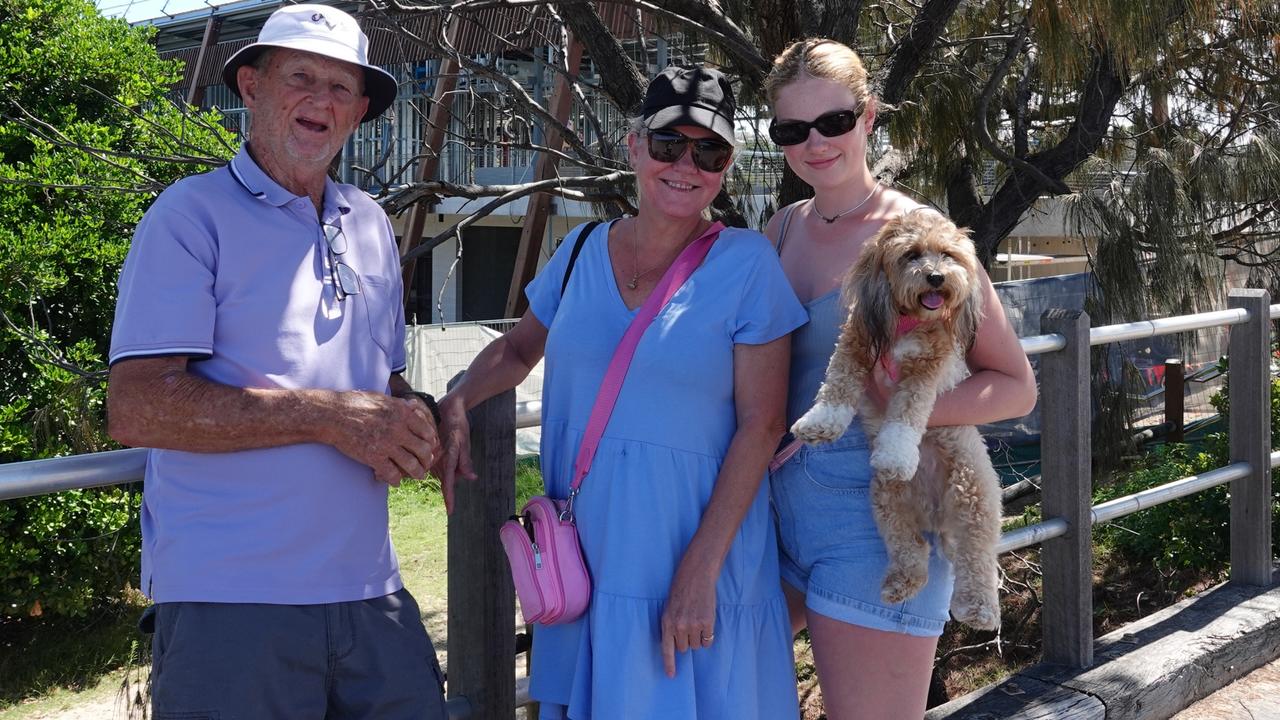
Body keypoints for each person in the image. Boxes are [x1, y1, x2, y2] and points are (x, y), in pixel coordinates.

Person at [106, 6, 448, 718]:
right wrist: (327, 419)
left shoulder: (371, 223)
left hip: (371, 593)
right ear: (252, 87)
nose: (321, 100)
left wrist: (426, 423)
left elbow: (379, 386)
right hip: (231, 602)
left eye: (342, 88)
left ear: (358, 112)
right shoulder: (187, 215)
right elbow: (137, 406)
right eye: (302, 77)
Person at [436, 65, 806, 719]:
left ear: (726, 165)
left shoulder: (747, 264)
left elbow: (762, 423)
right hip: (592, 557)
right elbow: (519, 349)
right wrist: (456, 403)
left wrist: (700, 570)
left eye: (709, 151)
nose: (686, 165)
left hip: (692, 558)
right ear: (634, 147)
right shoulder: (578, 250)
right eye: (669, 144)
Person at [762, 39, 1038, 719]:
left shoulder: (920, 236)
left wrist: (902, 413)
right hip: (776, 519)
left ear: (869, 116)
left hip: (879, 520)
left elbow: (1014, 385)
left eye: (833, 122)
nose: (815, 143)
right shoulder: (778, 231)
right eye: (792, 130)